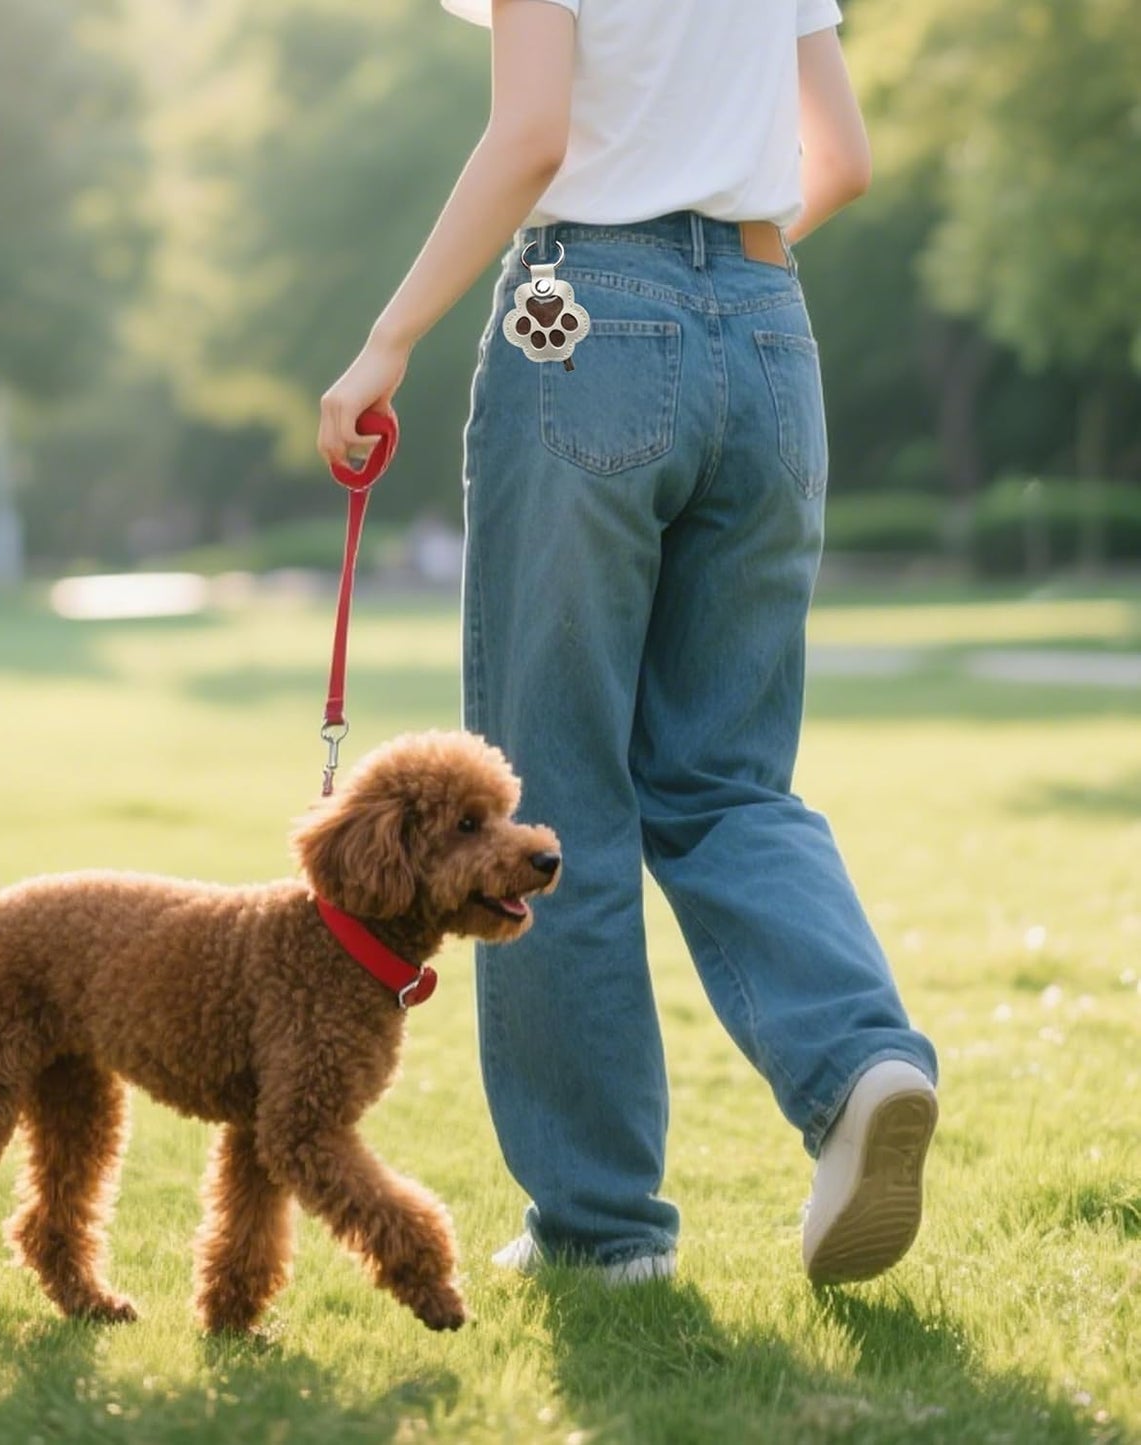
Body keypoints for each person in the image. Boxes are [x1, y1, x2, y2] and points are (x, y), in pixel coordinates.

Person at [317, 0, 938, 1287]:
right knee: (727, 778)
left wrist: (387, 339)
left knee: (551, 802)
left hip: (582, 315)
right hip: (771, 325)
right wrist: (713, 279)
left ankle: (598, 1231)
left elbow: (532, 133)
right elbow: (845, 160)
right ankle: (858, 1060)